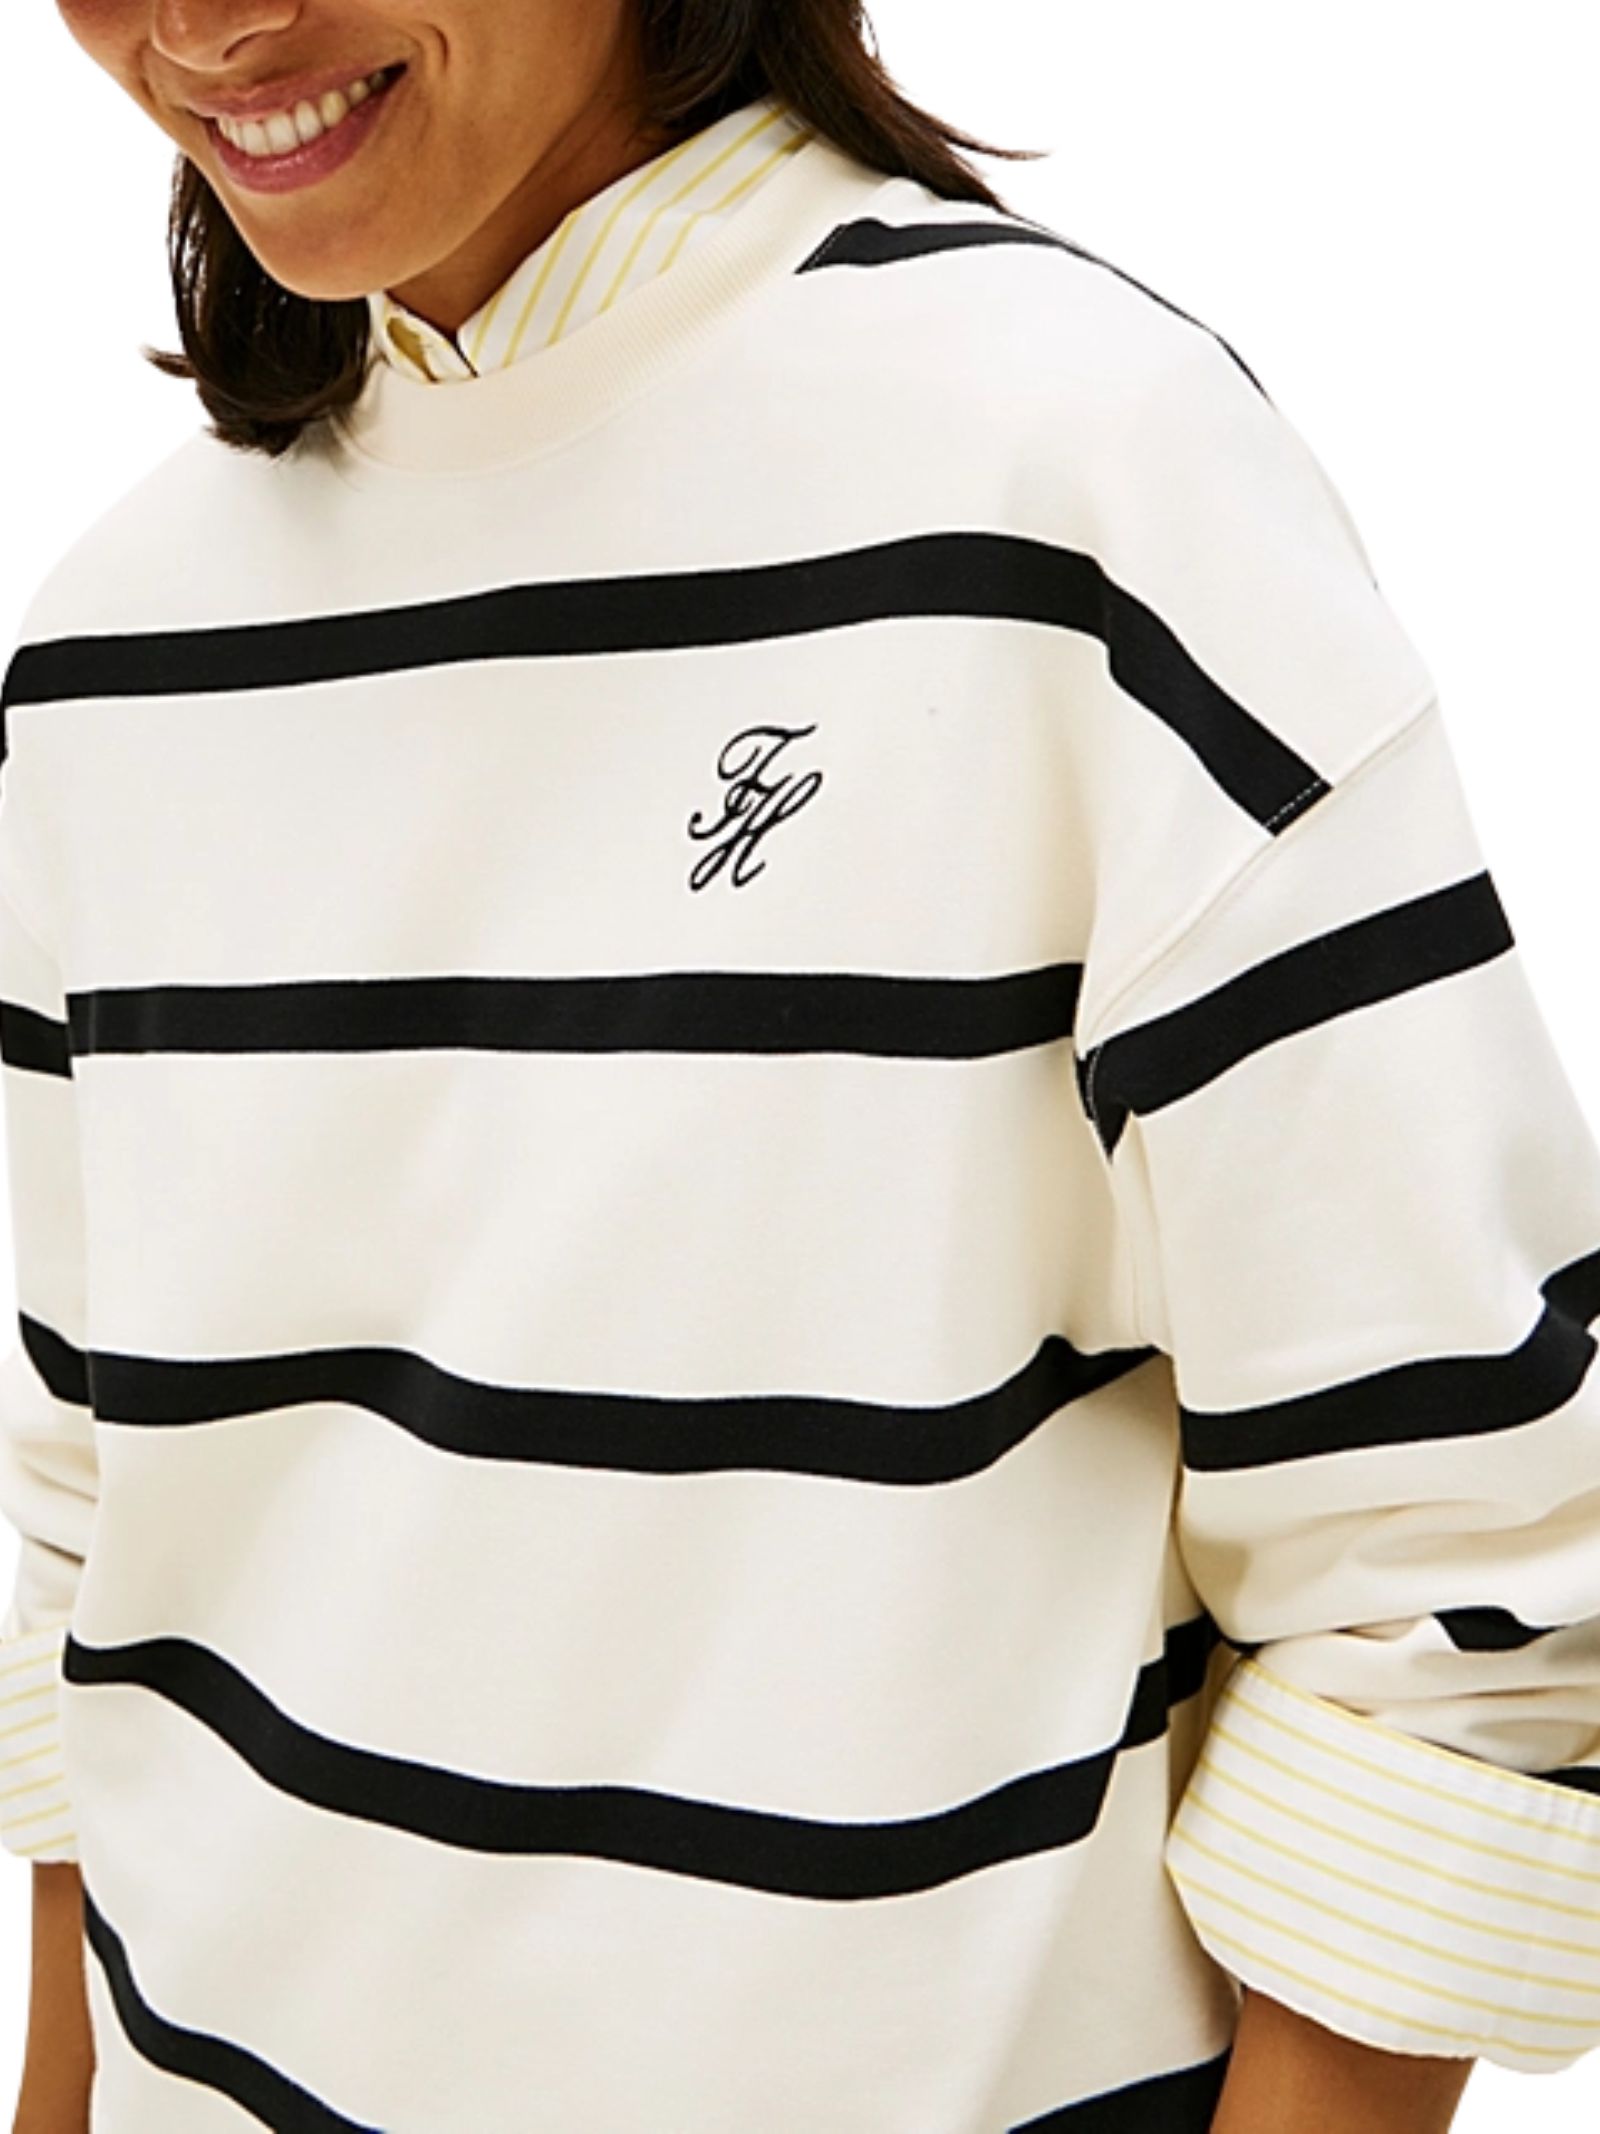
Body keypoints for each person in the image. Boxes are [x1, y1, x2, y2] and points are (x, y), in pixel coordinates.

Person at [1, 2, 1596, 2129]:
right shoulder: (114, 647)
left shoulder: (1073, 473)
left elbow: (1455, 1556)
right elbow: (96, 1516)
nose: (203, 23)